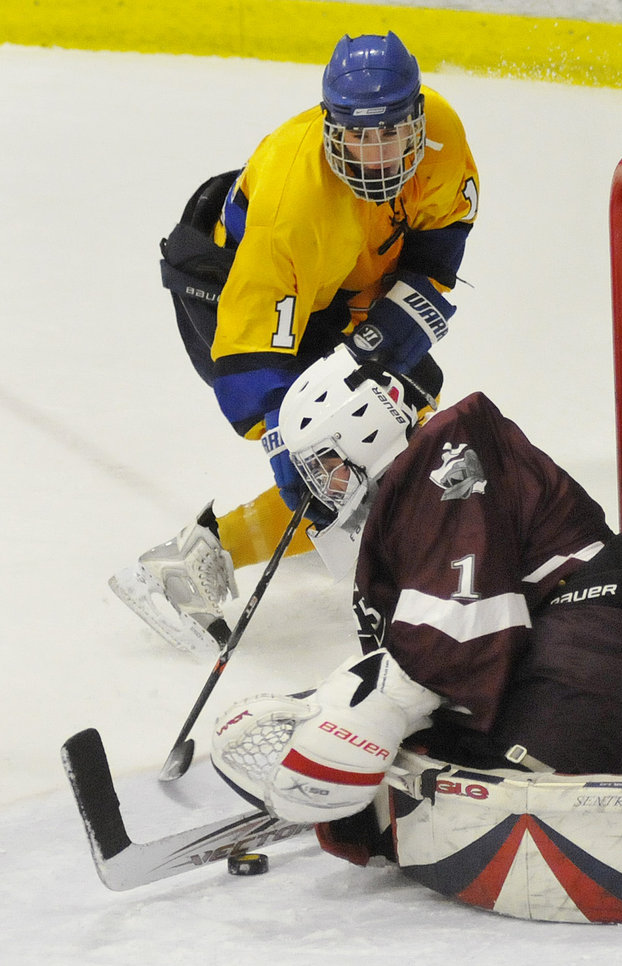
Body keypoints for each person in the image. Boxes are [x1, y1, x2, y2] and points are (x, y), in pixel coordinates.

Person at [209, 347, 622, 935]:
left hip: (600, 648)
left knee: (495, 793)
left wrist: (368, 717)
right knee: (440, 769)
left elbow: (461, 628)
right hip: (583, 657)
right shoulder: (410, 498)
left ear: (366, 429)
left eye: (326, 466)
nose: (322, 489)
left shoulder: (445, 459)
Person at [109, 31, 479, 651]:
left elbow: (435, 254)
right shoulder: (294, 204)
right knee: (337, 454)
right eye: (360, 136)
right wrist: (294, 449)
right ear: (333, 126)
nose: (377, 155)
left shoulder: (443, 134)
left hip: (339, 288)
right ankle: (181, 568)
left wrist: (382, 342)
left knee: (406, 407)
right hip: (232, 296)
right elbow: (248, 359)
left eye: (390, 133)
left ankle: (356, 517)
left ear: (417, 117)